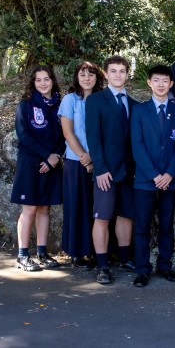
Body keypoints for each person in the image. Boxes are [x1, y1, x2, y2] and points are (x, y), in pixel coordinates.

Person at [85, 55, 140, 284]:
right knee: (103, 217)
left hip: (129, 171)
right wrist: (99, 169)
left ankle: (125, 258)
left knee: (126, 216)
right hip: (105, 172)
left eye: (122, 71)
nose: (118, 75)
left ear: (127, 74)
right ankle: (103, 266)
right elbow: (93, 138)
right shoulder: (95, 101)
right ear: (106, 74)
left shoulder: (135, 104)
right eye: (113, 71)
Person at [130, 65, 175, 287]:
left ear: (171, 84)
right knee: (142, 226)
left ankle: (165, 266)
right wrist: (155, 175)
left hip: (170, 180)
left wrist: (170, 174)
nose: (161, 84)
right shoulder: (139, 110)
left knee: (166, 226)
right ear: (149, 83)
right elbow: (137, 145)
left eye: (165, 81)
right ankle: (142, 270)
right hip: (145, 180)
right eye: (156, 80)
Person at [11, 64, 65, 271]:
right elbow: (23, 136)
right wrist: (47, 156)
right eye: (38, 80)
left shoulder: (60, 104)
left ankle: (42, 253)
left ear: (52, 81)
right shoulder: (25, 105)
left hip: (52, 163)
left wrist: (55, 157)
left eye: (46, 79)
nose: (43, 83)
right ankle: (22, 256)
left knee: (44, 208)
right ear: (33, 83)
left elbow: (66, 134)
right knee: (30, 209)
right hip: (30, 163)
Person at [58, 61, 105, 268]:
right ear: (77, 78)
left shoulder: (102, 100)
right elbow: (67, 132)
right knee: (76, 207)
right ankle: (76, 252)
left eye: (91, 74)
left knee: (96, 209)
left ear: (97, 77)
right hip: (75, 162)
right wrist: (84, 157)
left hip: (98, 161)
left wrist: (93, 158)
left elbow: (106, 132)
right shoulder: (70, 100)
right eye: (82, 74)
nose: (87, 78)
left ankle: (94, 251)